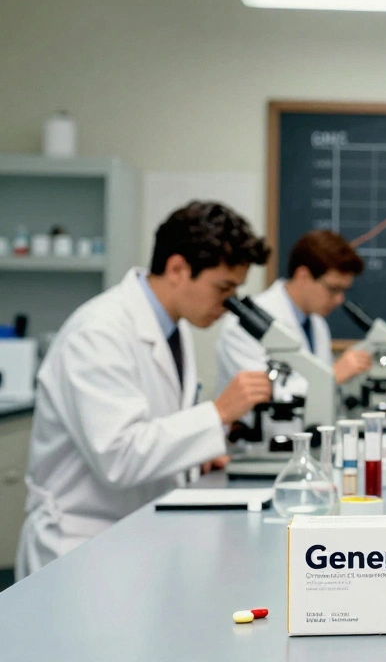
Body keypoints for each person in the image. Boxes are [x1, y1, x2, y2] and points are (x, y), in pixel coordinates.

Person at [17, 202, 273, 579]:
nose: (229, 305)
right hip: (81, 544)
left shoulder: (174, 328)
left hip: (134, 534)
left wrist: (195, 455)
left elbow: (154, 424)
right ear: (178, 269)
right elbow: (119, 457)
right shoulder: (98, 333)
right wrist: (218, 413)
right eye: (224, 288)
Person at [215, 230, 371, 433]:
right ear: (303, 276)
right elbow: (263, 396)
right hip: (262, 445)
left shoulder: (317, 324)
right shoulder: (245, 325)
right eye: (333, 289)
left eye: (343, 291)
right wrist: (332, 376)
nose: (339, 299)